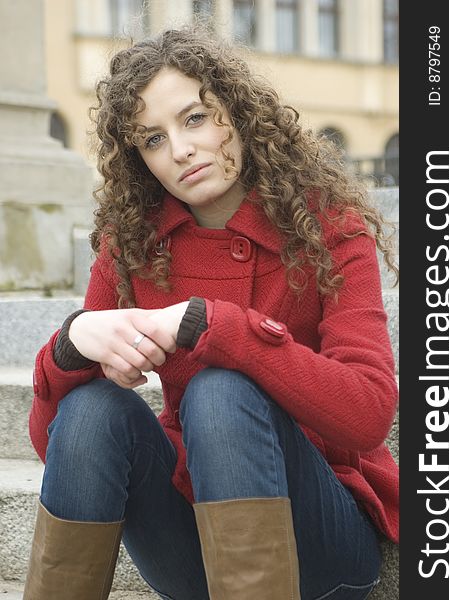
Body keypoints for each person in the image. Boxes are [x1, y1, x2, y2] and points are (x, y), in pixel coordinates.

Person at [24, 25, 399, 600]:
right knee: (94, 405)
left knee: (221, 389)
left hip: (319, 540)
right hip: (189, 542)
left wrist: (219, 329)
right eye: (152, 139)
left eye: (195, 118)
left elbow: (368, 413)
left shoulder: (330, 227)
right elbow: (62, 448)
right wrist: (73, 345)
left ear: (238, 112)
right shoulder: (132, 244)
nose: (179, 150)